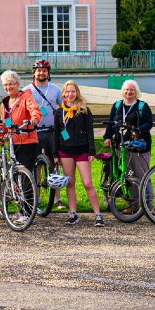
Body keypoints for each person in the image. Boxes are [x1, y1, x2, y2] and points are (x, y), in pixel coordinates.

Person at [55, 80, 101, 226]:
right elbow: (57, 133)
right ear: (63, 94)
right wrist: (55, 154)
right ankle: (73, 213)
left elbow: (90, 132)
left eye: (73, 91)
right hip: (65, 151)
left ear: (77, 93)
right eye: (67, 91)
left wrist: (91, 151)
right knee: (70, 183)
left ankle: (98, 215)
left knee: (87, 183)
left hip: (81, 150)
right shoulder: (59, 112)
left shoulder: (84, 110)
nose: (70, 94)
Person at [24, 59, 63, 204]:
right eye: (39, 70)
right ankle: (37, 197)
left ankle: (57, 198)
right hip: (35, 132)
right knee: (37, 165)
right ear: (34, 72)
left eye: (45, 70)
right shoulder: (27, 90)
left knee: (55, 164)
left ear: (48, 73)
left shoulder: (55, 89)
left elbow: (63, 107)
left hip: (52, 131)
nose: (42, 73)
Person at [103, 79, 153, 187]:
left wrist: (138, 129)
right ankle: (133, 202)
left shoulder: (142, 106)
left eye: (132, 90)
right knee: (128, 176)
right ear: (123, 91)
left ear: (136, 92)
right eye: (126, 89)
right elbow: (111, 123)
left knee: (142, 175)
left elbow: (149, 123)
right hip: (121, 146)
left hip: (138, 147)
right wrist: (107, 137)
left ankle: (147, 202)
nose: (129, 92)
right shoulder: (117, 105)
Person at [0, 70, 42, 173]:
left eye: (11, 84)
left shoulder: (26, 97)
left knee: (25, 175)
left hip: (27, 141)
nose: (8, 87)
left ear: (17, 84)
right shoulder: (5, 103)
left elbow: (34, 108)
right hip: (12, 142)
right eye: (5, 85)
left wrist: (34, 118)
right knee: (14, 173)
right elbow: (5, 122)